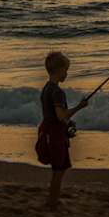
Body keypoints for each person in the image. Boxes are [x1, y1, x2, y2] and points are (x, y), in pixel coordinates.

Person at [36, 51, 88, 207]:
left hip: (48, 131)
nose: (66, 73)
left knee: (58, 169)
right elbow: (60, 115)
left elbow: (53, 115)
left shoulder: (46, 88)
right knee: (59, 170)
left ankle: (53, 200)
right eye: (65, 70)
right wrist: (80, 107)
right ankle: (53, 202)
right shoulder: (57, 92)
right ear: (58, 70)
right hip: (55, 135)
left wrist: (68, 122)